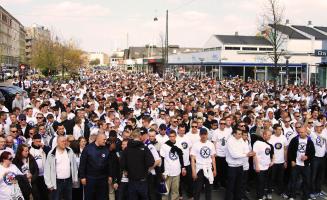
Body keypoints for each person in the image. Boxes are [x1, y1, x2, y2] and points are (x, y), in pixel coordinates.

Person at [120, 128, 155, 200]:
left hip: (131, 181)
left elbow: (122, 164)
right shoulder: (144, 148)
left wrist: (126, 169)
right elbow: (151, 162)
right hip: (142, 181)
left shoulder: (127, 149)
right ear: (140, 137)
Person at [44, 135, 78, 200]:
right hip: (57, 182)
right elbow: (47, 169)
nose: (64, 143)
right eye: (62, 141)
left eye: (65, 141)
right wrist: (49, 184)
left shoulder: (70, 151)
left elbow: (74, 165)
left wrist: (74, 178)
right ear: (57, 142)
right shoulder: (51, 153)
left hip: (68, 181)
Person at [79, 133, 111, 200]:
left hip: (103, 178)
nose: (105, 141)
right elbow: (82, 164)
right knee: (90, 197)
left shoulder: (106, 149)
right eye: (104, 139)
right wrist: (82, 177)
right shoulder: (88, 149)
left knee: (102, 197)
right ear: (98, 139)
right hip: (90, 178)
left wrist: (110, 175)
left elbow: (109, 164)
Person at [225, 128, 255, 200]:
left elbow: (246, 150)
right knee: (231, 186)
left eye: (241, 134)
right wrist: (245, 155)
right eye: (239, 134)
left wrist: (243, 154)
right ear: (234, 134)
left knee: (239, 185)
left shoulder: (241, 140)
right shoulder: (230, 141)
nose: (240, 135)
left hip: (240, 166)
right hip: (232, 167)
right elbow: (234, 155)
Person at [288, 127, 315, 200]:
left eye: (302, 132)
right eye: (299, 132)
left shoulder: (310, 141)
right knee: (293, 180)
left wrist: (307, 157)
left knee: (307, 181)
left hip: (305, 165)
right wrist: (292, 160)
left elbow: (312, 152)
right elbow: (290, 150)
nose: (300, 134)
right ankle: (291, 196)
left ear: (306, 132)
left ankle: (306, 196)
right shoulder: (294, 140)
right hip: (296, 164)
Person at [191, 128, 216, 200]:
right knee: (197, 190)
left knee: (209, 190)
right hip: (199, 168)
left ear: (207, 135)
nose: (203, 136)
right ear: (199, 135)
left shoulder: (211, 144)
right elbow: (192, 159)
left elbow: (213, 158)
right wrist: (193, 172)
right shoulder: (196, 145)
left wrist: (214, 169)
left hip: (209, 168)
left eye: (205, 134)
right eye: (202, 134)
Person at [160, 129, 185, 200]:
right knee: (165, 192)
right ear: (168, 137)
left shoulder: (179, 144)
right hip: (167, 172)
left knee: (175, 192)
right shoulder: (164, 145)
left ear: (175, 136)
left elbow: (181, 157)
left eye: (173, 136)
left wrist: (183, 167)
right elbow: (162, 159)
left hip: (177, 171)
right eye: (170, 136)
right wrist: (162, 172)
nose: (172, 138)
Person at [253, 130, 274, 200]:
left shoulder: (268, 144)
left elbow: (270, 154)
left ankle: (262, 195)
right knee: (260, 183)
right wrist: (257, 166)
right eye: (268, 135)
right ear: (264, 135)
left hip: (267, 167)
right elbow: (254, 155)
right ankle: (259, 197)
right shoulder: (257, 143)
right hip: (260, 167)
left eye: (270, 135)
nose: (269, 137)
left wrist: (272, 161)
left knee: (264, 182)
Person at [310, 122, 326, 199]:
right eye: (318, 126)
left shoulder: (325, 133)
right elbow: (304, 127)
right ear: (315, 127)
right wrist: (307, 119)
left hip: (323, 158)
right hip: (315, 158)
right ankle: (312, 192)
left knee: (320, 176)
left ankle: (318, 191)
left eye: (321, 126)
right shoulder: (312, 134)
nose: (320, 128)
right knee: (313, 176)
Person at [29, 133, 48, 200]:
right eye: (37, 141)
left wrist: (44, 147)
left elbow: (50, 153)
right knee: (37, 195)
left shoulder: (42, 148)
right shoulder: (30, 150)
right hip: (35, 176)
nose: (38, 143)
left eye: (39, 141)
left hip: (44, 175)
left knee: (45, 194)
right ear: (33, 140)